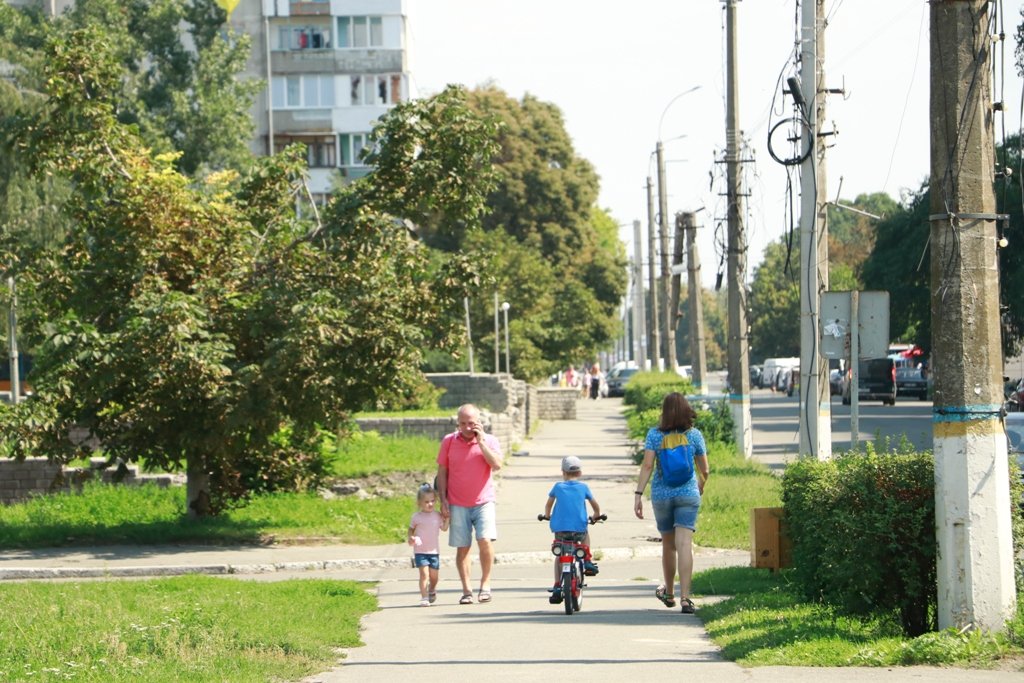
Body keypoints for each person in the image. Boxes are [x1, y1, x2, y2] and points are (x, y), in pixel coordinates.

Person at [633, 392, 709, 614]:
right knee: (685, 544)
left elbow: (647, 466)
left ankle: (669, 593)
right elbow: (705, 469)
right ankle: (686, 598)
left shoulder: (654, 435)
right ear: (687, 410)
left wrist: (638, 494)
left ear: (664, 412)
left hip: (662, 496)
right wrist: (701, 484)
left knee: (668, 544)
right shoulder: (694, 435)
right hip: (688, 493)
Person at [436, 404, 503, 604]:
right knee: (462, 547)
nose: (466, 427)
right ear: (457, 423)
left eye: (471, 423)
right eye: (462, 423)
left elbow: (497, 465)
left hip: (484, 501)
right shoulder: (449, 441)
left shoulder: (490, 440)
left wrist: (481, 443)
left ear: (479, 423)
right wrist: (443, 499)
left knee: (485, 540)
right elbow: (442, 472)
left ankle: (485, 584)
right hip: (457, 502)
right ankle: (466, 590)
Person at [542, 456, 601, 604]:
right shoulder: (584, 487)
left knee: (559, 556)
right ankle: (587, 559)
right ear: (580, 473)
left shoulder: (557, 487)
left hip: (560, 530)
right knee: (586, 534)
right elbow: (595, 506)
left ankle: (557, 585)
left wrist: (547, 516)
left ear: (563, 472)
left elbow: (548, 505)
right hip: (578, 529)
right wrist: (596, 516)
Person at [408, 483, 448, 606]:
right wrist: (411, 538)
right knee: (424, 574)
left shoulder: (437, 516)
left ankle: (432, 589)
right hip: (420, 551)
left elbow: (444, 528)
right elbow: (411, 529)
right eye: (426, 502)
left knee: (434, 577)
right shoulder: (416, 517)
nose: (430, 504)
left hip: (434, 551)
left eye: (432, 501)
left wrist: (448, 519)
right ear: (419, 503)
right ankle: (424, 597)